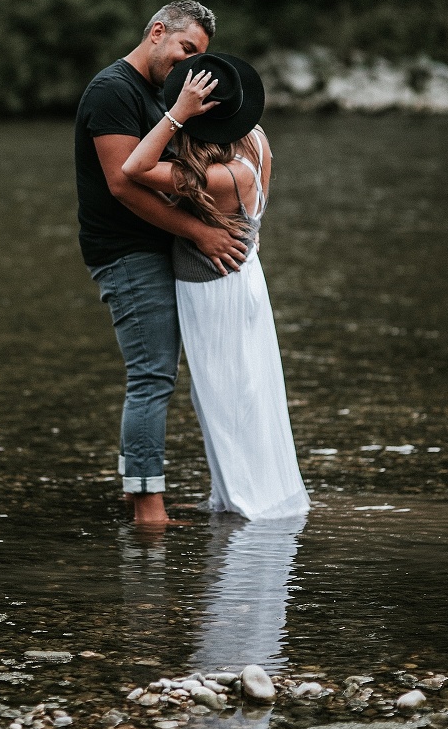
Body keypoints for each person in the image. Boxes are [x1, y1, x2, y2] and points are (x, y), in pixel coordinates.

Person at [74, 2, 248, 525]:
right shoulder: (113, 90)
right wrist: (200, 231)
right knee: (151, 376)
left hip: (153, 247)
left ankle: (137, 497)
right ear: (156, 33)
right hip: (125, 251)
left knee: (157, 373)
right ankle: (149, 508)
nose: (189, 66)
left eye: (199, 57)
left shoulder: (160, 91)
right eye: (185, 51)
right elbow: (123, 184)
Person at [121, 52, 310, 520]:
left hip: (212, 291)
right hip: (245, 278)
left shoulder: (218, 176)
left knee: (222, 397)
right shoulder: (258, 143)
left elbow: (134, 169)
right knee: (250, 389)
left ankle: (245, 503)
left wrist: (174, 114)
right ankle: (232, 495)